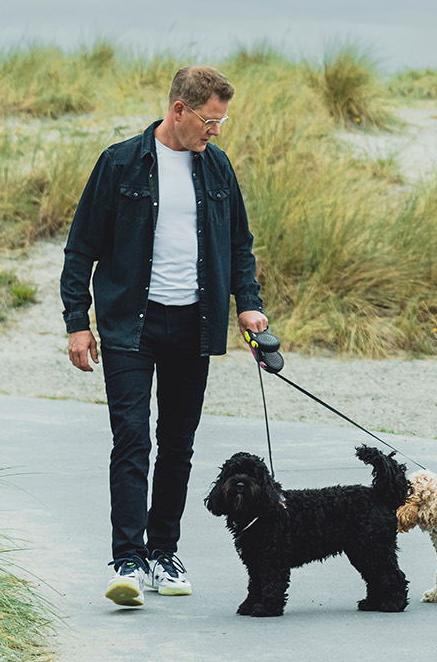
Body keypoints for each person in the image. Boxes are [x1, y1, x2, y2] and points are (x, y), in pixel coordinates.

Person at [61, 65, 267, 607]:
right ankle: (127, 559)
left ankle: (162, 554)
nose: (216, 131)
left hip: (193, 324)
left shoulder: (217, 168)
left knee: (178, 444)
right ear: (179, 110)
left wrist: (249, 306)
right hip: (131, 323)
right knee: (132, 438)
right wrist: (77, 322)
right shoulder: (120, 162)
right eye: (210, 120)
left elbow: (239, 245)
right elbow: (80, 247)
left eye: (222, 121)